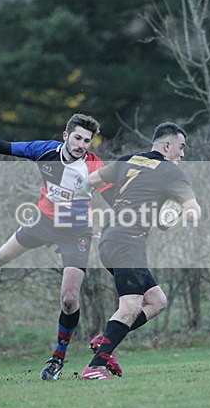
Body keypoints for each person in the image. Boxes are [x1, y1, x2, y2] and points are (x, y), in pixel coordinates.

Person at [0, 113, 113, 381]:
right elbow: (4, 146)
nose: (81, 145)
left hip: (76, 233)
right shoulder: (44, 151)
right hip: (43, 223)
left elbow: (115, 197)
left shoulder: (93, 166)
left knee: (69, 300)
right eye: (77, 138)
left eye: (87, 140)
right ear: (66, 136)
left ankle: (58, 358)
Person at [82, 122, 201, 380]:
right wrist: (170, 221)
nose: (183, 154)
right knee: (130, 306)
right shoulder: (171, 171)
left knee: (157, 301)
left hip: (109, 239)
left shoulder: (128, 160)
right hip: (128, 241)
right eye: (181, 147)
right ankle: (95, 366)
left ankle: (106, 342)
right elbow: (194, 213)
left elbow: (90, 181)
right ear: (167, 146)